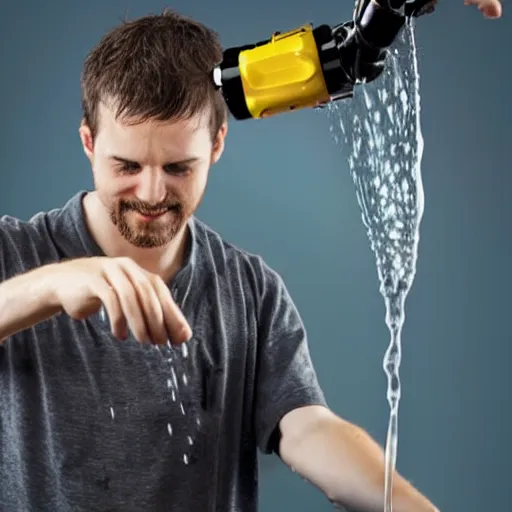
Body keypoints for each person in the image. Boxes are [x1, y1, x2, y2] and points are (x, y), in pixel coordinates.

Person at [0, 3, 502, 511]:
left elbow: (307, 429)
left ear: (217, 144)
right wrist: (53, 286)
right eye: (127, 164)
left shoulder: (250, 290)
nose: (151, 192)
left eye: (178, 167)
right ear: (89, 142)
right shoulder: (13, 254)